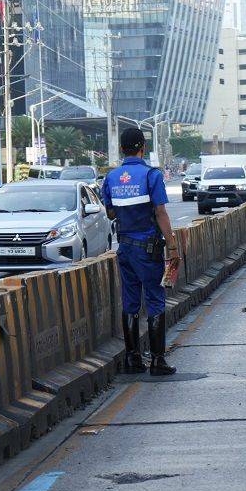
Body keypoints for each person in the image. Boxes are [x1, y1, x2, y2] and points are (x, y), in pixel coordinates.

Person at [102, 128, 180, 375]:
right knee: (155, 299)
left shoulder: (111, 177)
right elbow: (161, 213)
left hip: (124, 249)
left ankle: (133, 359)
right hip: (148, 249)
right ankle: (158, 361)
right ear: (142, 147)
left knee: (131, 302)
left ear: (122, 148)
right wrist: (173, 245)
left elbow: (111, 212)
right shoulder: (151, 176)